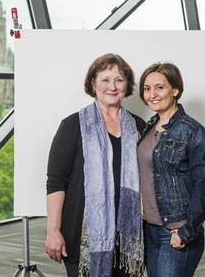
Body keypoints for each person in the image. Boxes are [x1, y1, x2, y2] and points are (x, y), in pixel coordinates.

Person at [45, 53, 146, 277]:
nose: (112, 86)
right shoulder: (72, 126)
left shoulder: (138, 126)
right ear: (93, 83)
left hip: (127, 239)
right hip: (81, 238)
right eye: (105, 79)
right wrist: (53, 231)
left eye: (119, 80)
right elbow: (56, 181)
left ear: (127, 85)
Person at [137, 62, 205, 277]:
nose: (152, 94)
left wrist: (187, 230)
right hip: (148, 229)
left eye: (160, 87)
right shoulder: (148, 127)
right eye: (147, 88)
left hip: (176, 230)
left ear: (175, 90)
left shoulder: (193, 131)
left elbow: (204, 186)